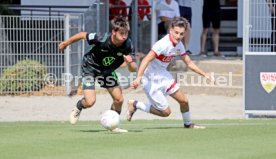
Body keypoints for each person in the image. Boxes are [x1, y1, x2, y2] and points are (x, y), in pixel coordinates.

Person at [127, 17, 214, 129]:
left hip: (164, 76)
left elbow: (189, 63)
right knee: (166, 112)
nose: (178, 36)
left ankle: (188, 124)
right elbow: (146, 60)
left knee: (184, 101)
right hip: (150, 79)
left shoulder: (179, 45)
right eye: (176, 33)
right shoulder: (162, 44)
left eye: (181, 34)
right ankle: (135, 104)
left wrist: (205, 74)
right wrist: (138, 77)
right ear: (171, 31)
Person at [59, 17, 136, 133]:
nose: (124, 36)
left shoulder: (128, 45)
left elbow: (133, 69)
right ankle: (79, 106)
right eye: (121, 33)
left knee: (119, 100)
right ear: (114, 32)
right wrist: (66, 43)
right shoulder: (101, 38)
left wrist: (130, 62)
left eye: (126, 33)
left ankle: (114, 125)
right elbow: (82, 35)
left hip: (106, 72)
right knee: (90, 102)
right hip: (90, 67)